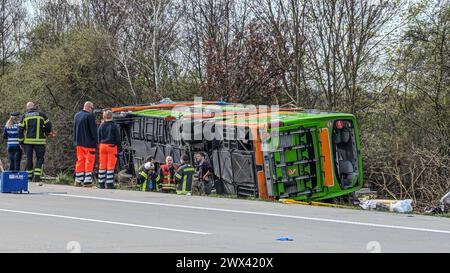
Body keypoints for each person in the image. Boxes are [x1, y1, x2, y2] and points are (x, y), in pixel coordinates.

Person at [18, 102, 52, 186]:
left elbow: (20, 130)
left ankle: (29, 177)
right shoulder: (42, 115)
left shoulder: (24, 116)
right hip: (40, 141)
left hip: (28, 142)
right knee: (40, 158)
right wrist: (47, 133)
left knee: (29, 159)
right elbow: (49, 125)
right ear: (34, 107)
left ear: (27, 108)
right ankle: (37, 177)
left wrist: (21, 141)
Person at [73, 101, 98, 187]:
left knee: (80, 160)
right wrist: (97, 141)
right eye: (92, 108)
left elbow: (75, 129)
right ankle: (87, 180)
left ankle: (78, 179)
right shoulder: (89, 116)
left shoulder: (77, 115)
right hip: (89, 143)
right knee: (89, 161)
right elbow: (93, 131)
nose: (92, 110)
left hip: (79, 143)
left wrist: (75, 141)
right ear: (88, 107)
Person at [97, 110, 121, 189]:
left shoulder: (101, 125)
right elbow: (117, 138)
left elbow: (99, 137)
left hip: (102, 146)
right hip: (111, 146)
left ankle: (101, 183)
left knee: (102, 164)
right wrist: (119, 147)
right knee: (110, 166)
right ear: (112, 116)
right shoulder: (114, 126)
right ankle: (109, 184)